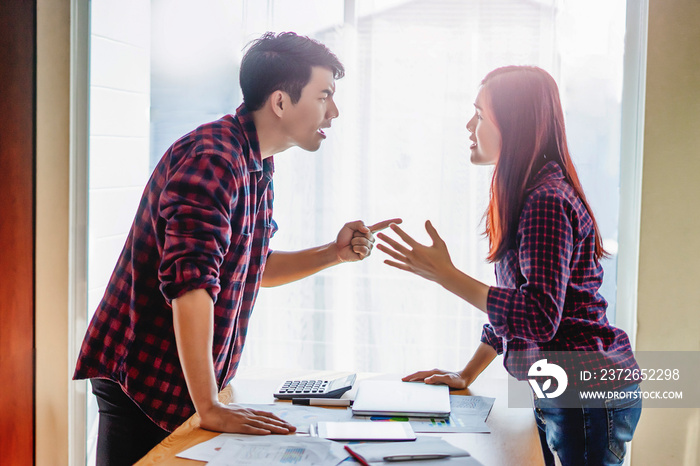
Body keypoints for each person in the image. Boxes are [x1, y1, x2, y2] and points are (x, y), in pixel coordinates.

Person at [74, 31, 400, 465]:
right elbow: (191, 284)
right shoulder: (215, 158)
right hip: (146, 378)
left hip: (186, 382)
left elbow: (252, 268)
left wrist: (333, 254)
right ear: (281, 102)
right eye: (325, 96)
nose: (334, 111)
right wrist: (210, 406)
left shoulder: (256, 160)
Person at [376, 66, 641, 466]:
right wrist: (466, 374)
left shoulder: (545, 202)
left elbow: (537, 316)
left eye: (480, 114)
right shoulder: (530, 194)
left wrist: (446, 276)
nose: (470, 125)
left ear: (513, 125)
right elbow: (518, 308)